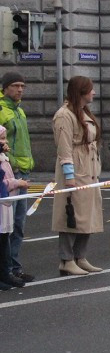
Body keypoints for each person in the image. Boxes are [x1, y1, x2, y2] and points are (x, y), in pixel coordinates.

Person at [52, 76, 104, 276]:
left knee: (88, 216)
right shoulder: (64, 115)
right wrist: (69, 177)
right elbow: (64, 149)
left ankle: (80, 257)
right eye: (90, 90)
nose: (94, 93)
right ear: (81, 91)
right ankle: (66, 260)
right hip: (76, 172)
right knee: (70, 216)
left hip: (89, 172)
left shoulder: (82, 112)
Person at [0, 71, 34, 282]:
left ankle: (14, 266)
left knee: (19, 224)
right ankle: (6, 271)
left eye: (22, 86)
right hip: (8, 172)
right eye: (15, 86)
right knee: (6, 226)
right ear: (5, 88)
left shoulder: (19, 111)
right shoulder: (2, 110)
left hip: (23, 170)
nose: (20, 89)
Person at [0, 124, 29, 289]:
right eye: (2, 139)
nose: (5, 143)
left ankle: (5, 273)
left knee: (4, 241)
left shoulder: (4, 159)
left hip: (5, 205)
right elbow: (2, 182)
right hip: (2, 204)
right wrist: (17, 182)